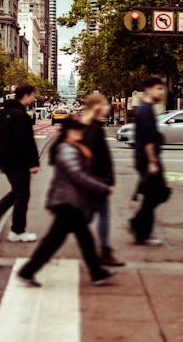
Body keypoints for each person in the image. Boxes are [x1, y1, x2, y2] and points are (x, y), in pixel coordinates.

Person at [17, 117, 115, 287]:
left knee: (77, 240)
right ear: (67, 131)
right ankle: (27, 271)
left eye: (81, 129)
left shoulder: (74, 148)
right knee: (59, 242)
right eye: (76, 129)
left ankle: (96, 272)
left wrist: (50, 202)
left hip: (69, 202)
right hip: (68, 203)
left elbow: (57, 180)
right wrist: (102, 188)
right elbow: (78, 176)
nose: (80, 132)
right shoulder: (67, 150)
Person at [0, 83, 40, 242]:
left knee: (18, 192)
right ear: (26, 95)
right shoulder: (21, 116)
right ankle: (17, 230)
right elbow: (26, 142)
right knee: (22, 194)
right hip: (18, 162)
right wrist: (33, 163)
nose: (34, 98)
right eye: (33, 95)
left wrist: (1, 161)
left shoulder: (5, 113)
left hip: (7, 160)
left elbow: (2, 140)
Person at [81, 93, 124, 267]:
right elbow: (92, 157)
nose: (108, 106)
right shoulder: (94, 128)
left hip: (96, 181)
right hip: (98, 181)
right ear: (98, 107)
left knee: (86, 217)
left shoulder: (92, 126)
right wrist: (103, 181)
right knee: (99, 216)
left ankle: (103, 251)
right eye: (105, 103)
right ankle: (104, 251)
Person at [129, 76, 170, 246]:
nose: (162, 92)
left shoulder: (147, 109)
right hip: (148, 160)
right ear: (149, 90)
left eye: (162, 88)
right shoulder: (145, 110)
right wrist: (152, 162)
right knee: (157, 194)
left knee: (154, 195)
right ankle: (139, 229)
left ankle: (139, 227)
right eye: (159, 88)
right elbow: (147, 140)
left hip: (147, 160)